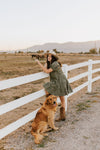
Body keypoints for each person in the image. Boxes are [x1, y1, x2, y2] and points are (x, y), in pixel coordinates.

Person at [35, 50, 73, 121]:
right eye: (48, 56)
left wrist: (38, 62)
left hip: (60, 81)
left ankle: (59, 113)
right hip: (58, 81)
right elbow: (45, 69)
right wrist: (46, 61)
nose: (49, 57)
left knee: (59, 97)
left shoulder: (55, 64)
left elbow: (46, 71)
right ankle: (59, 112)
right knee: (61, 98)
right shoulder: (51, 63)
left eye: (50, 56)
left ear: (53, 57)